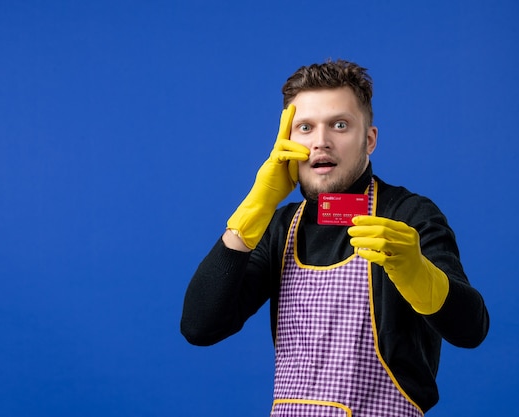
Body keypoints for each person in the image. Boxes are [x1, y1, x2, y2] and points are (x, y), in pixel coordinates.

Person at [180, 59, 489, 416]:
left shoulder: (409, 216)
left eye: (339, 125)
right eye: (305, 127)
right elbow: (199, 327)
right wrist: (252, 210)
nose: (321, 142)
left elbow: (472, 329)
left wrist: (417, 271)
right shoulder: (280, 227)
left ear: (369, 139)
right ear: (287, 139)